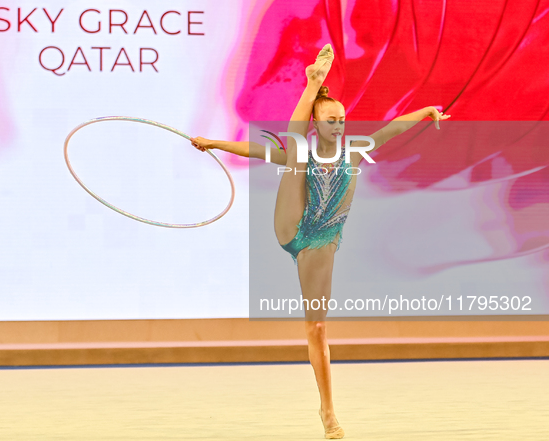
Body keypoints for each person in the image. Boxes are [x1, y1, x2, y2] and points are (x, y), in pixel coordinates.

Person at [190, 44, 450, 439]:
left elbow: (392, 128)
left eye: (342, 120)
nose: (339, 126)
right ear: (316, 123)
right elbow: (257, 149)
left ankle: (328, 411)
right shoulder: (303, 152)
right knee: (293, 153)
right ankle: (311, 84)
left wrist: (427, 111)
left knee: (317, 329)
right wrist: (214, 143)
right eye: (330, 120)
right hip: (291, 224)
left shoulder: (355, 154)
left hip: (321, 241)